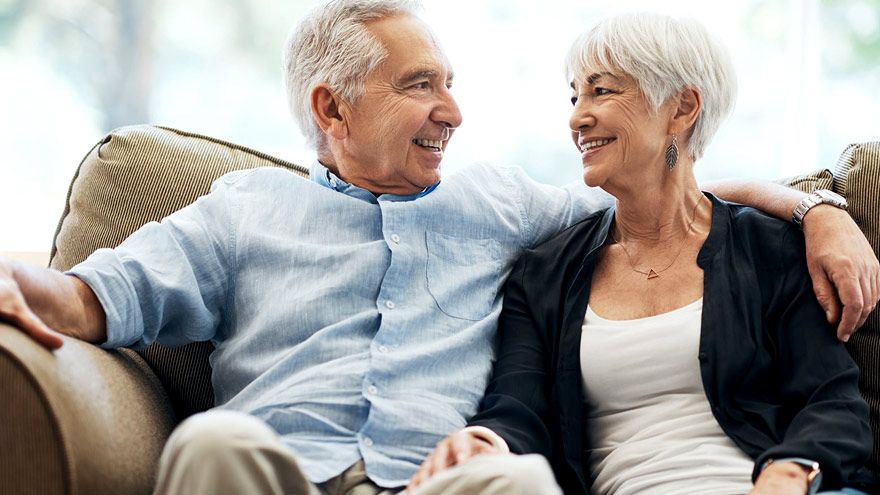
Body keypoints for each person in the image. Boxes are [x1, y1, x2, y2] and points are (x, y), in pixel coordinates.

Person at [0, 2, 877, 495]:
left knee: (521, 486)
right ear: (331, 110)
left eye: (451, 85)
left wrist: (817, 207)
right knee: (210, 445)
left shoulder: (495, 202)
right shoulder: (239, 210)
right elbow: (92, 295)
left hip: (435, 483)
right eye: (422, 86)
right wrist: (17, 284)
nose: (453, 112)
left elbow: (658, 195)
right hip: (281, 470)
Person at [411, 12, 877, 495]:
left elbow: (832, 403)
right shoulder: (545, 272)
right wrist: (485, 442)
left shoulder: (769, 248)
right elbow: (518, 409)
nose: (576, 117)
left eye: (602, 91)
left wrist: (790, 472)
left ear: (682, 108)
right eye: (575, 96)